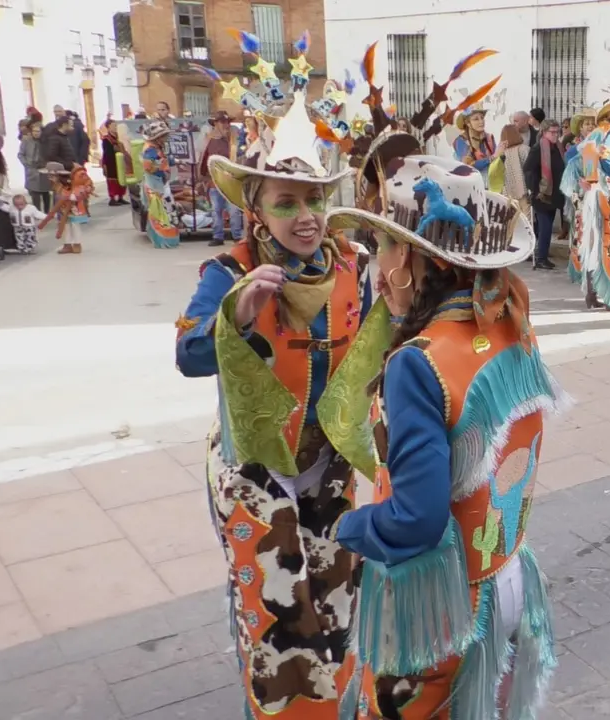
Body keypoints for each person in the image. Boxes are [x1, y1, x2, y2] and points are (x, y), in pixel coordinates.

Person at [323, 152, 561, 720]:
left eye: (382, 245)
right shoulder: (510, 319)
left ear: (408, 255)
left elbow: (416, 519)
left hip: (442, 605)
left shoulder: (418, 364)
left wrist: (351, 526)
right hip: (505, 576)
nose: (376, 266)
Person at [175, 55, 377, 718]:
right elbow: (188, 353)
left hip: (329, 461)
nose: (308, 215)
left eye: (316, 199)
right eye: (288, 203)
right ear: (257, 212)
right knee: (276, 613)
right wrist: (235, 312)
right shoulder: (227, 269)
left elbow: (379, 341)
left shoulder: (352, 263)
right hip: (257, 470)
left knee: (341, 595)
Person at [560, 96, 610, 310]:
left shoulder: (596, 132)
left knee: (592, 242)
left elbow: (573, 156)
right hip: (605, 193)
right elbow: (605, 157)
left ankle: (592, 293)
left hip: (592, 194)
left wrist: (584, 177)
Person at [562, 107, 599, 281]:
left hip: (599, 196)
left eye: (593, 123)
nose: (590, 127)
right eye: (586, 124)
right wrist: (578, 191)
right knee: (580, 231)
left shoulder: (602, 147)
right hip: (581, 197)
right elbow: (568, 179)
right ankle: (579, 268)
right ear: (580, 128)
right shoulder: (574, 151)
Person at [199, 111, 245, 247]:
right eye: (222, 122)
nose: (225, 124)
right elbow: (204, 160)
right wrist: (202, 177)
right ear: (215, 123)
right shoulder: (210, 140)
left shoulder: (234, 140)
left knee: (234, 209)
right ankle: (218, 236)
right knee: (216, 210)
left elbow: (240, 157)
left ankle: (236, 235)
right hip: (215, 181)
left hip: (231, 180)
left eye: (227, 122)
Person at [524, 118, 565, 270]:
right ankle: (541, 258)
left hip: (554, 195)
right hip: (542, 195)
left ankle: (543, 257)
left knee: (546, 228)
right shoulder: (538, 148)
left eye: (557, 132)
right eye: (552, 132)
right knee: (545, 228)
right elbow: (528, 169)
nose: (555, 135)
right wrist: (534, 188)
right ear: (544, 132)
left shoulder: (558, 147)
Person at [37, 162, 94, 254]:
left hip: (74, 208)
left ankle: (76, 244)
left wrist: (72, 196)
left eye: (51, 175)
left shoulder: (68, 183)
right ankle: (68, 245)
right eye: (49, 175)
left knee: (75, 226)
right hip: (64, 209)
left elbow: (76, 190)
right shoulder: (57, 184)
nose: (49, 177)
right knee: (66, 227)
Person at [140, 120, 180, 249]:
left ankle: (165, 237)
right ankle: (162, 239)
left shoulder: (157, 148)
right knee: (160, 211)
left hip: (159, 183)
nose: (166, 138)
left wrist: (169, 162)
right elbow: (148, 166)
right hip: (154, 185)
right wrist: (162, 165)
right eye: (164, 136)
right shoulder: (150, 149)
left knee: (165, 209)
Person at [453, 108, 497, 181]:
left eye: (482, 118)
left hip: (492, 181)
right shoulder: (461, 141)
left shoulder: (489, 138)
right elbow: (468, 166)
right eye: (476, 119)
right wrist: (492, 158)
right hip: (472, 184)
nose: (481, 121)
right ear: (468, 124)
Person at [20, 121, 51, 213]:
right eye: (34, 131)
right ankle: (37, 212)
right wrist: (26, 163)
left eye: (38, 131)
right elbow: (21, 154)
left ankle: (47, 212)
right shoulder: (26, 141)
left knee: (45, 192)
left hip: (43, 169)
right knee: (34, 192)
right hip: (32, 170)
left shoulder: (46, 142)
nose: (36, 133)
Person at [99, 120, 127, 206]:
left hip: (120, 160)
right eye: (113, 126)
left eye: (115, 125)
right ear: (108, 127)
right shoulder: (106, 139)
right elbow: (107, 152)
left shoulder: (118, 137)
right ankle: (112, 198)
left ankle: (120, 197)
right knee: (112, 180)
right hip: (110, 162)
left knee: (121, 179)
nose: (115, 127)